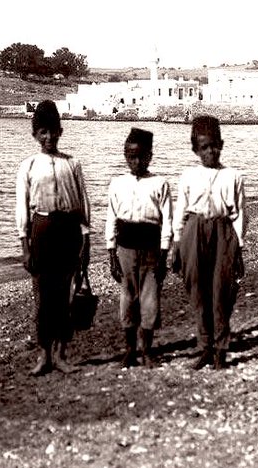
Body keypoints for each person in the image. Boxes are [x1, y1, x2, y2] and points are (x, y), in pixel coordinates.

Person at [15, 100, 92, 376]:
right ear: (35, 134)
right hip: (42, 229)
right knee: (42, 296)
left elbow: (83, 203)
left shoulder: (73, 164)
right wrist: (25, 245)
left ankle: (61, 353)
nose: (49, 137)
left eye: (53, 131)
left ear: (61, 131)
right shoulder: (29, 166)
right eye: (42, 132)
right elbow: (22, 207)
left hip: (69, 230)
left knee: (66, 294)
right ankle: (44, 354)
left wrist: (86, 240)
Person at [170, 115, 248, 370]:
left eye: (214, 145)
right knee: (197, 288)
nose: (210, 151)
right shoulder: (188, 176)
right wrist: (177, 244)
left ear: (221, 144)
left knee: (222, 289)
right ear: (196, 150)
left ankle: (221, 349)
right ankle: (205, 347)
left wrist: (238, 247)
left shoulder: (233, 176)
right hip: (194, 229)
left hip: (223, 230)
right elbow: (180, 211)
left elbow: (240, 215)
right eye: (204, 147)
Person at [105, 127, 173, 369]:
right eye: (131, 156)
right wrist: (111, 253)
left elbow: (167, 221)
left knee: (150, 300)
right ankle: (129, 350)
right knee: (127, 299)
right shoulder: (117, 183)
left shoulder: (160, 183)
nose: (136, 161)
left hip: (152, 250)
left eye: (141, 156)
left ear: (150, 156)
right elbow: (111, 218)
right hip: (125, 249)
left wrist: (164, 254)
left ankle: (147, 351)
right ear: (125, 156)